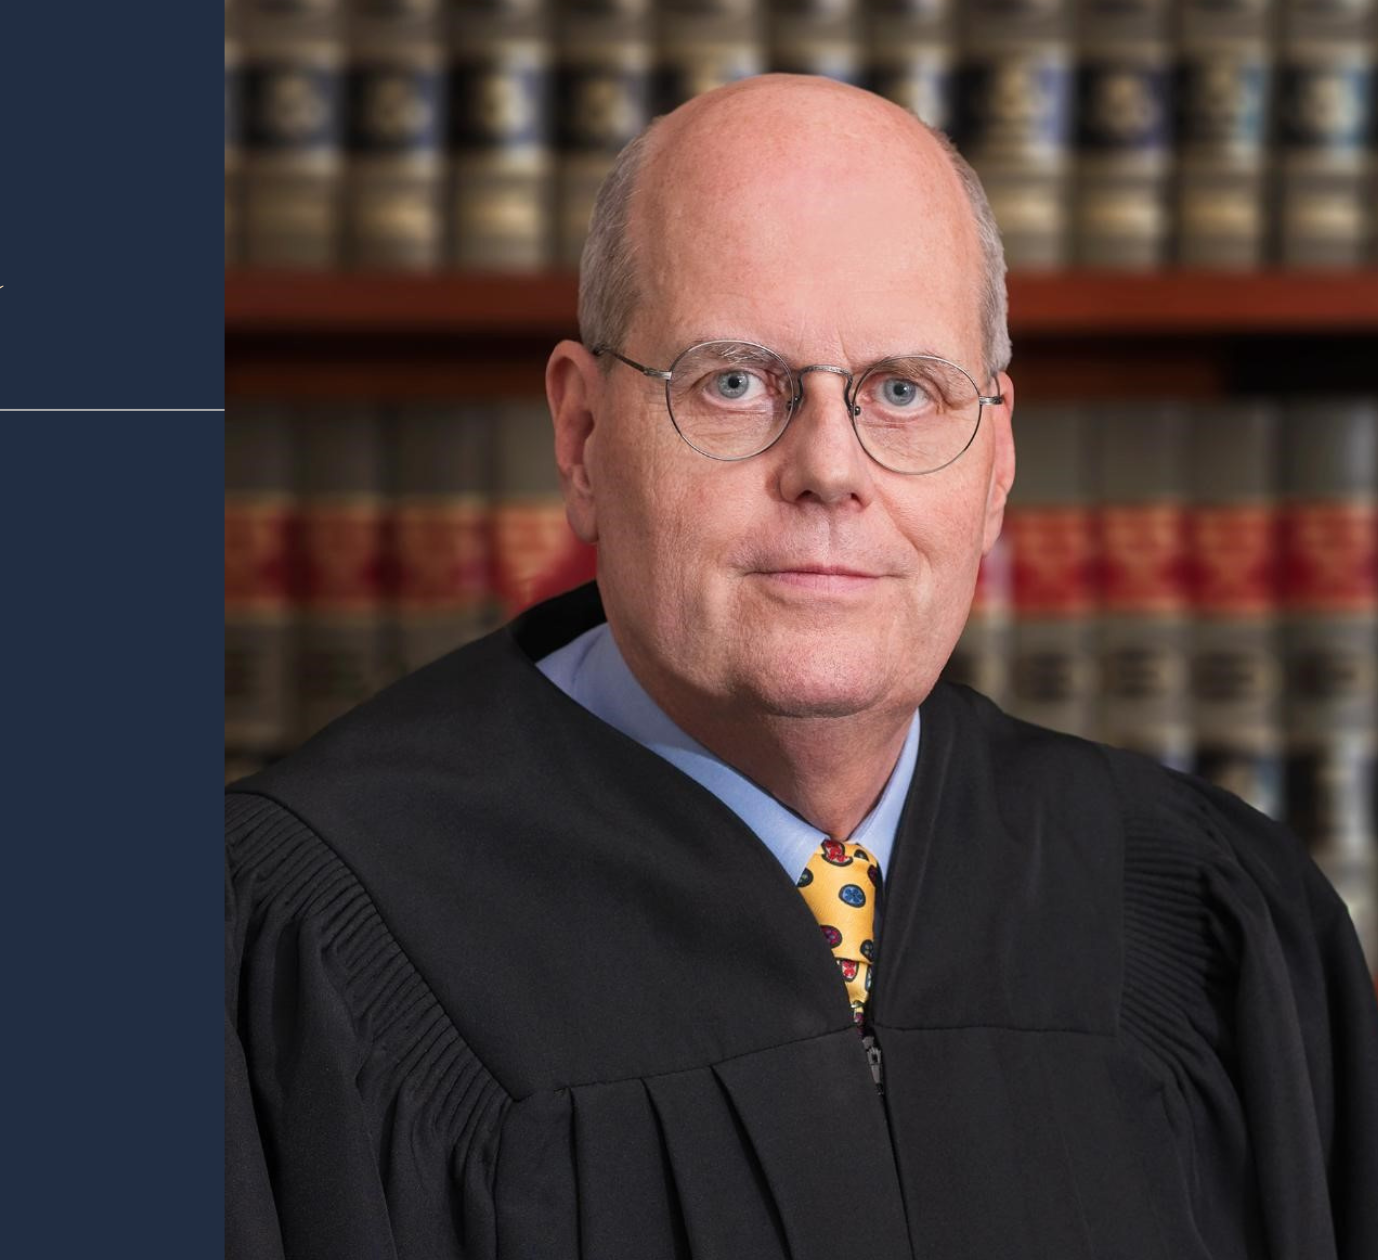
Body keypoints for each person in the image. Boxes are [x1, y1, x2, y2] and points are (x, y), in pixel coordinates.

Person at [225, 74, 1378, 1258]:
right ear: (579, 437)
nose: (829, 468)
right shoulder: (292, 943)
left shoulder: (1208, 914)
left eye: (904, 390)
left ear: (996, 466)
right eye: (732, 382)